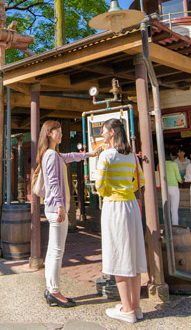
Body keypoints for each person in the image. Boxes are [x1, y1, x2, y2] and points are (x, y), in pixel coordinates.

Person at [36, 120, 98, 308]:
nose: (61, 134)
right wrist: (61, 206)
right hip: (57, 209)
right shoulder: (51, 156)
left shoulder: (53, 154)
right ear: (49, 133)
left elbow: (70, 156)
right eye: (58, 132)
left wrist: (89, 154)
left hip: (53, 208)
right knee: (56, 251)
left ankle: (51, 288)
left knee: (53, 251)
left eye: (61, 131)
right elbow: (54, 183)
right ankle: (54, 291)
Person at [94, 119, 147, 323]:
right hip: (132, 206)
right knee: (133, 254)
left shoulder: (106, 155)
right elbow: (140, 181)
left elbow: (99, 183)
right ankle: (136, 306)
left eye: (104, 129)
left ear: (113, 132)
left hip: (114, 207)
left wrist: (109, 192)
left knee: (118, 254)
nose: (101, 132)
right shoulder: (132, 156)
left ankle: (126, 310)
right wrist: (127, 191)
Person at [162, 153, 183, 226]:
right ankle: (175, 225)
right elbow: (178, 178)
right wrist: (181, 180)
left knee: (165, 209)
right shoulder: (173, 164)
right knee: (174, 210)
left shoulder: (160, 164)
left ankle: (166, 226)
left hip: (164, 188)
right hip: (174, 187)